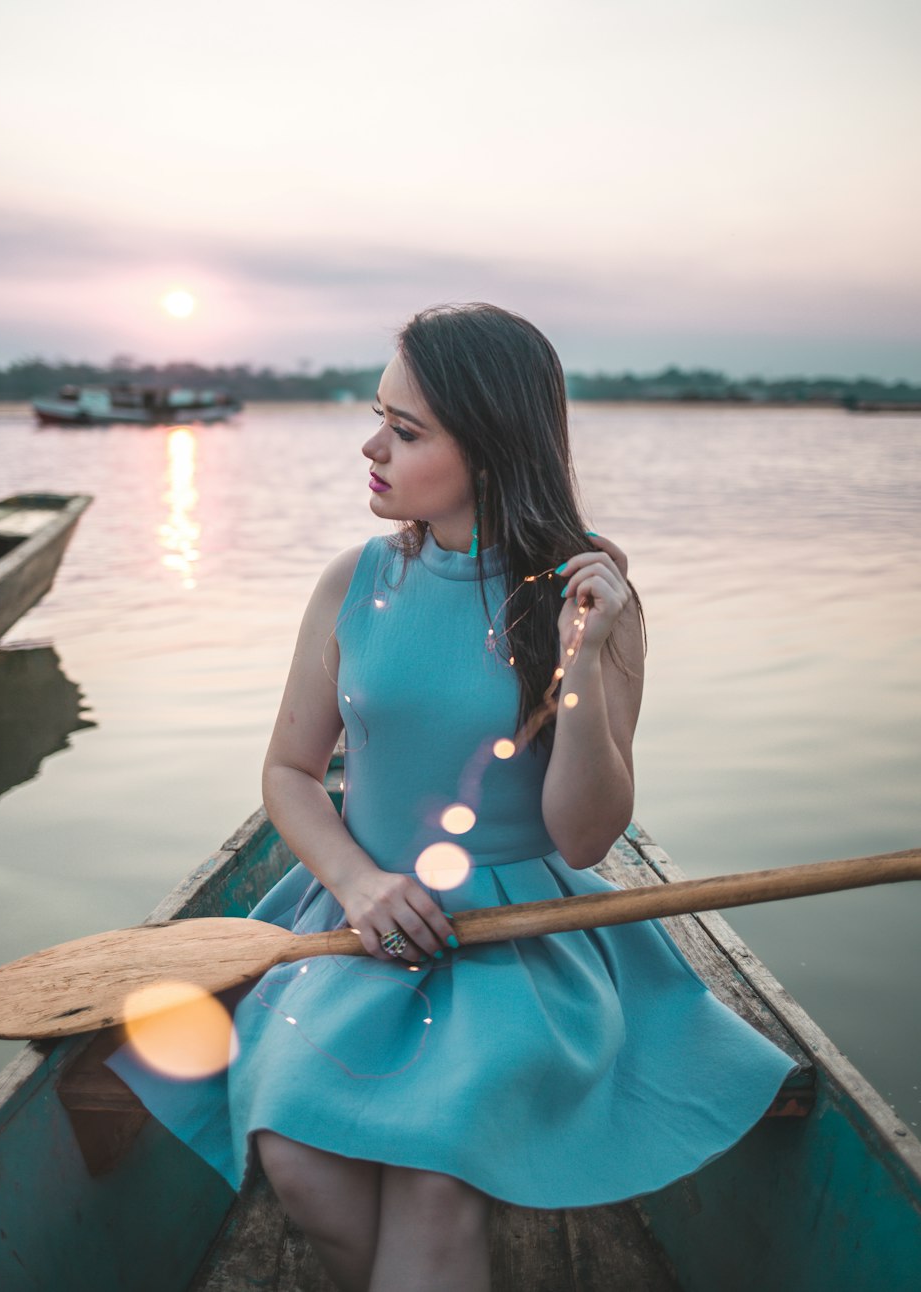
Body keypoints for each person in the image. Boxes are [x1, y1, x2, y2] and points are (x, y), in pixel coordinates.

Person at [109, 303, 793, 1292]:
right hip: (354, 923)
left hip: (525, 939)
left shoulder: (588, 601)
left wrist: (584, 660)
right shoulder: (352, 580)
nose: (371, 444)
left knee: (434, 1180)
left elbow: (588, 837)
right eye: (379, 414)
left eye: (407, 429)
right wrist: (355, 882)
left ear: (493, 446)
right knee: (300, 1162)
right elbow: (290, 775)